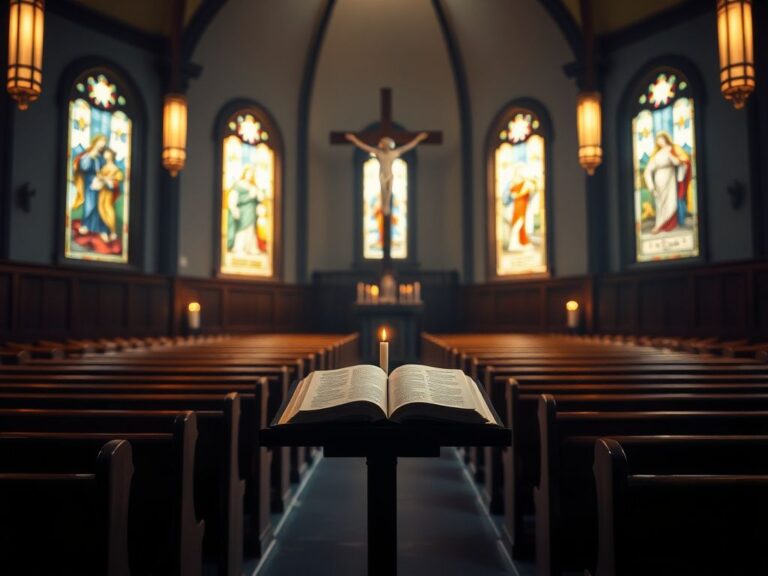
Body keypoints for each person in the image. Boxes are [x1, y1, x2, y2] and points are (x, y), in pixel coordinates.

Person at [345, 132, 428, 215]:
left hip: (389, 175)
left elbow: (409, 146)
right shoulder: (378, 153)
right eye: (384, 144)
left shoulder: (394, 153)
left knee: (388, 192)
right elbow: (364, 147)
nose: (385, 146)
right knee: (383, 191)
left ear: (390, 145)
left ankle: (387, 206)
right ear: (381, 145)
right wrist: (354, 139)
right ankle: (385, 207)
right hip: (382, 175)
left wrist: (419, 138)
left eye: (387, 144)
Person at [643, 132, 691, 234]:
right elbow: (648, 170)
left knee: (670, 201)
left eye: (661, 139)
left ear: (665, 139)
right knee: (660, 203)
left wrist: (671, 156)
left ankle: (668, 224)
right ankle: (659, 224)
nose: (659, 141)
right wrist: (651, 187)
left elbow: (680, 162)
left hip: (670, 180)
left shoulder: (673, 149)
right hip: (658, 181)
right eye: (657, 140)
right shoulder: (657, 155)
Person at [72, 134, 109, 238]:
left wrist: (102, 179)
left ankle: (100, 228)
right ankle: (86, 225)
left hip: (100, 183)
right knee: (90, 204)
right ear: (96, 142)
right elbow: (83, 166)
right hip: (89, 182)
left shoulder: (101, 158)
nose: (102, 145)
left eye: (103, 144)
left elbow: (104, 169)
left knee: (100, 205)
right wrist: (90, 156)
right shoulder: (87, 155)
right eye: (100, 143)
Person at [227, 165, 263, 255]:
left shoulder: (253, 186)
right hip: (242, 211)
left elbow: (259, 198)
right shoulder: (239, 185)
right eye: (248, 173)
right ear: (245, 173)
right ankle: (239, 247)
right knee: (242, 229)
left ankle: (250, 248)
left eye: (251, 173)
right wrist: (234, 209)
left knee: (250, 229)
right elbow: (233, 198)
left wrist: (257, 194)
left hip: (251, 211)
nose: (249, 175)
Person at [94, 148, 123, 243]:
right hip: (102, 191)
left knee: (107, 208)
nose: (105, 154)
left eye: (107, 153)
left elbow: (118, 178)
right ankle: (104, 230)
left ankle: (112, 231)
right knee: (100, 208)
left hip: (108, 192)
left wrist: (105, 178)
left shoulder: (114, 167)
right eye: (104, 153)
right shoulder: (104, 166)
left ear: (111, 154)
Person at [502, 165, 535, 251]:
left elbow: (528, 192)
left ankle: (519, 242)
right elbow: (507, 196)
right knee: (517, 223)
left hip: (523, 205)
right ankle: (513, 243)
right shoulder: (512, 182)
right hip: (516, 206)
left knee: (521, 223)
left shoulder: (526, 182)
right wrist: (513, 195)